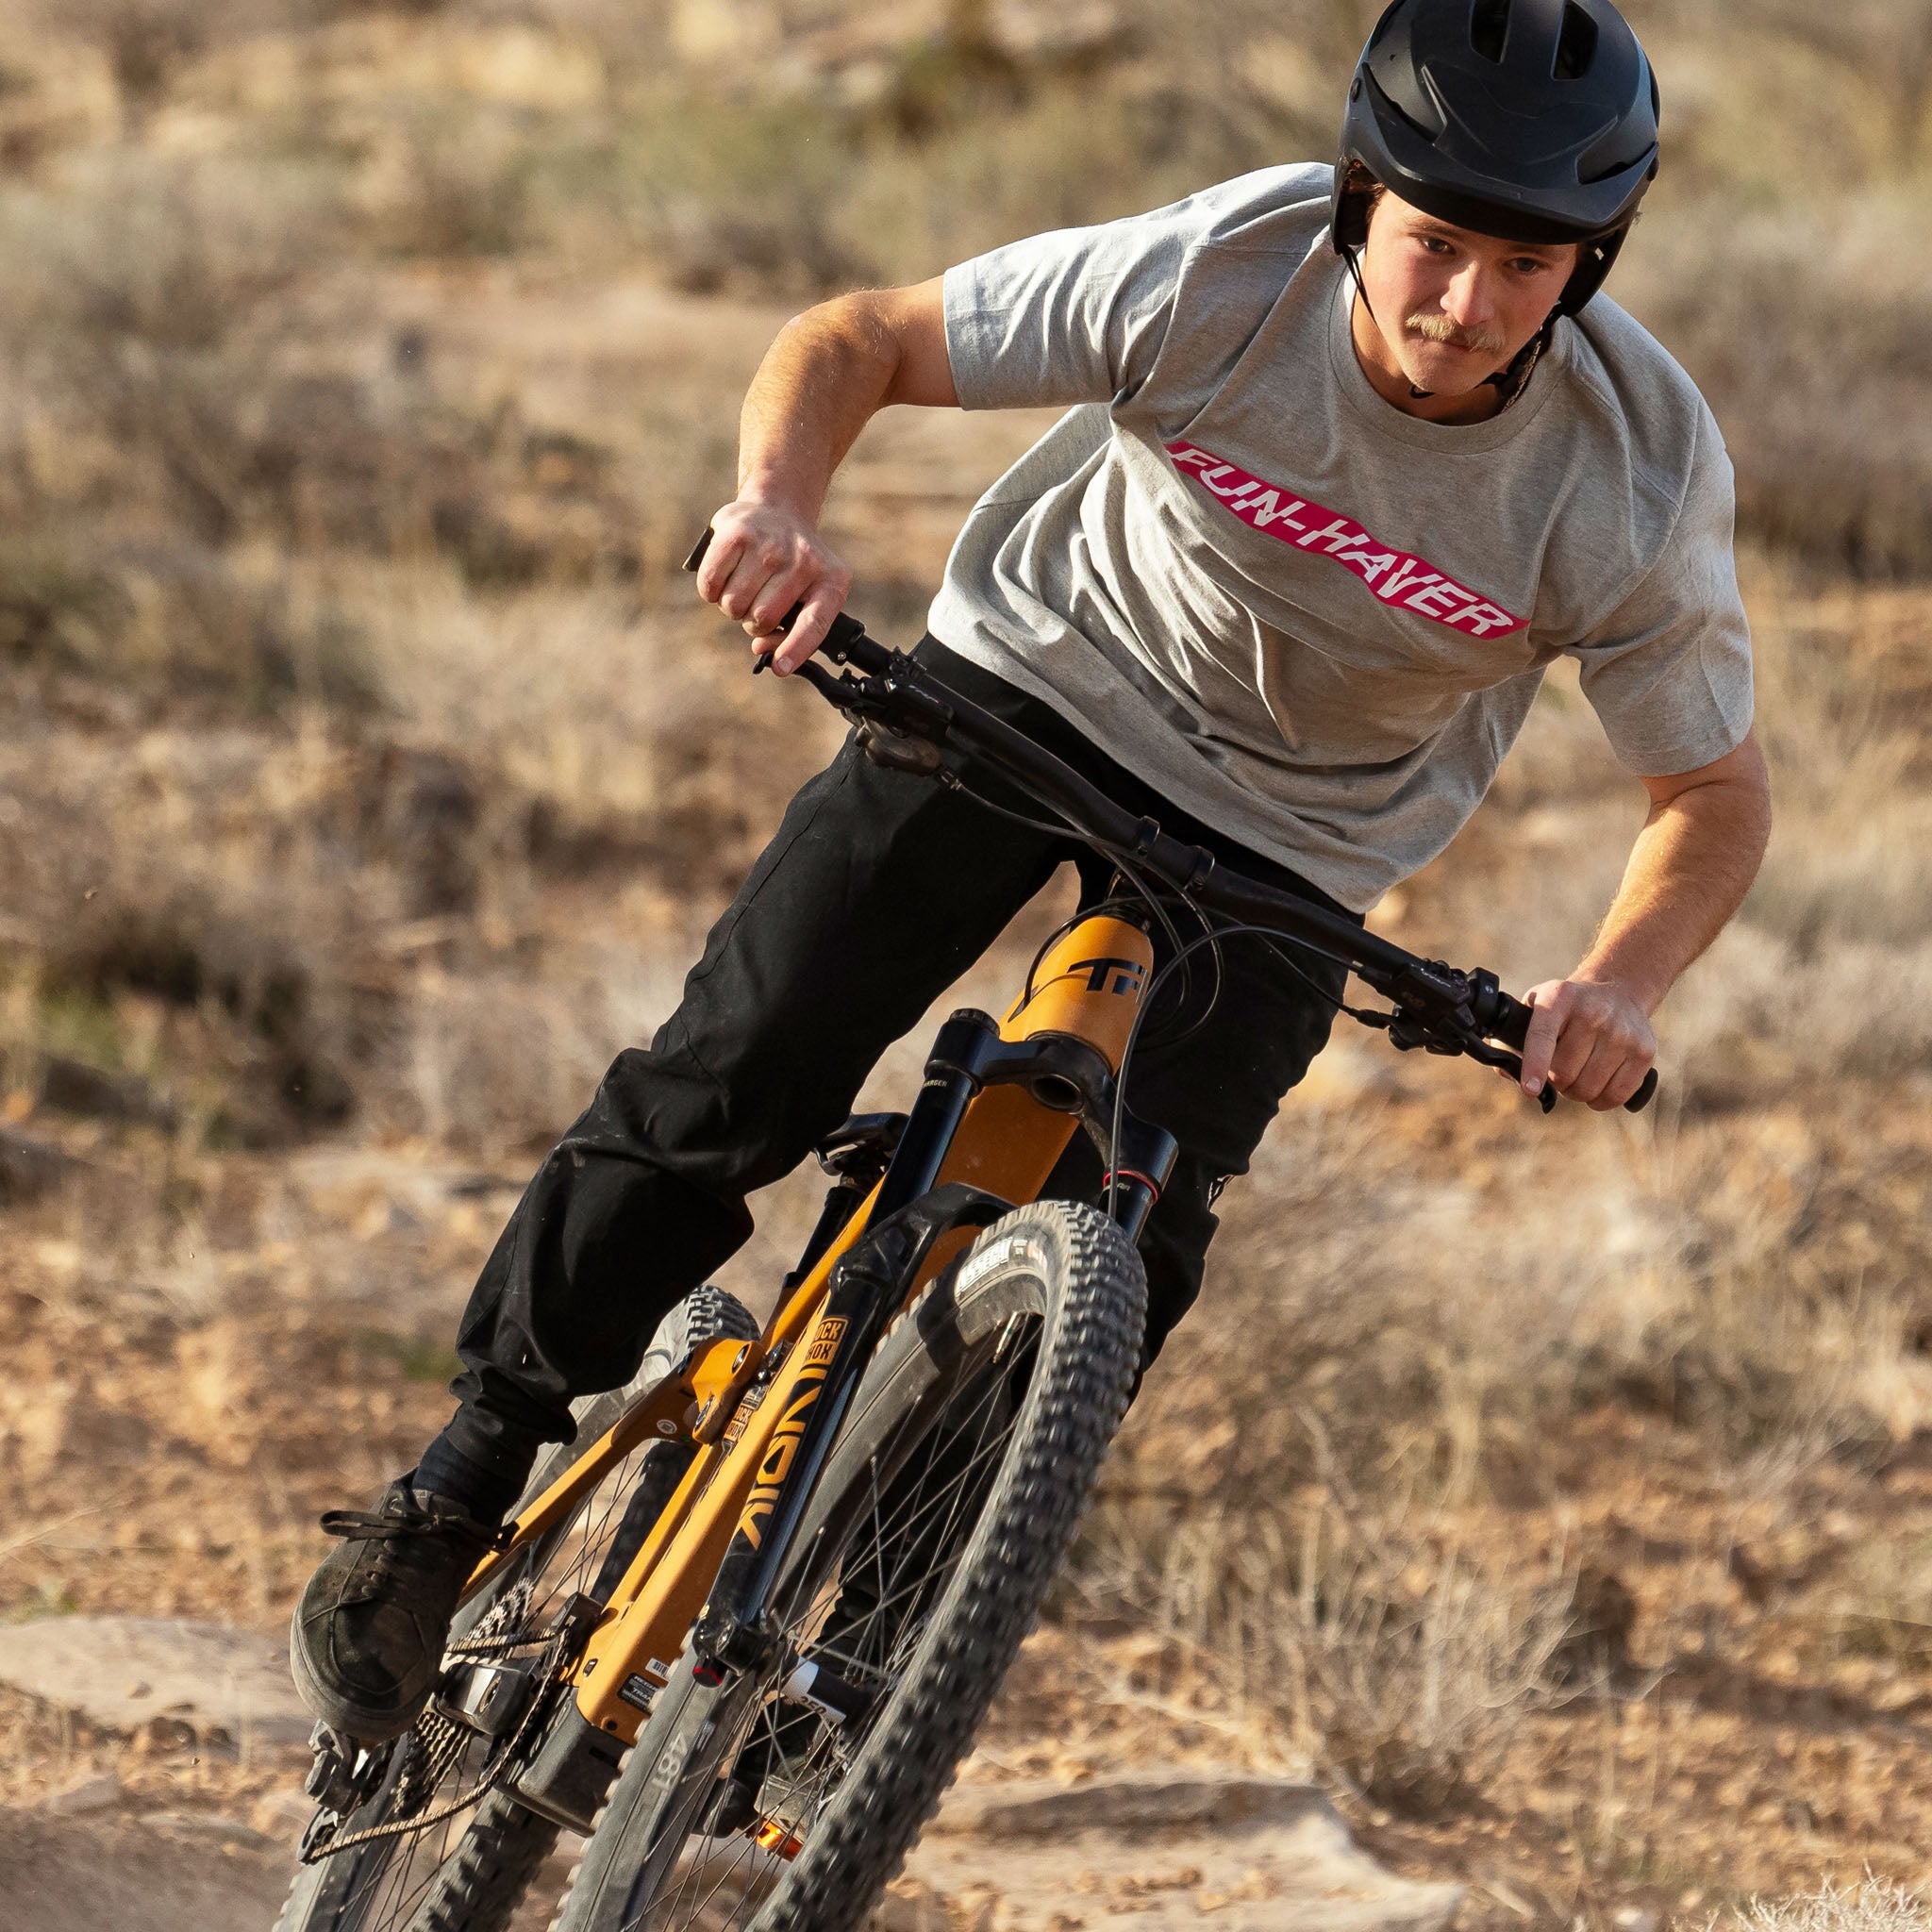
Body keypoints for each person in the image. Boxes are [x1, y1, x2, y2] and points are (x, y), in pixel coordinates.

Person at [291, 0, 1772, 1744]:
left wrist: (1616, 983)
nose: (1466, 306)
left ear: (1591, 266)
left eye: (1528, 268)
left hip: (1293, 847)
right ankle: (463, 1480)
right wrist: (777, 503)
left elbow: (1710, 791)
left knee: (1130, 1247)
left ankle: (865, 1661)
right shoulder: (1224, 268)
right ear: (1361, 199)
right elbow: (855, 339)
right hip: (1038, 682)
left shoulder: (1636, 471)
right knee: (744, 1059)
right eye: (1436, 245)